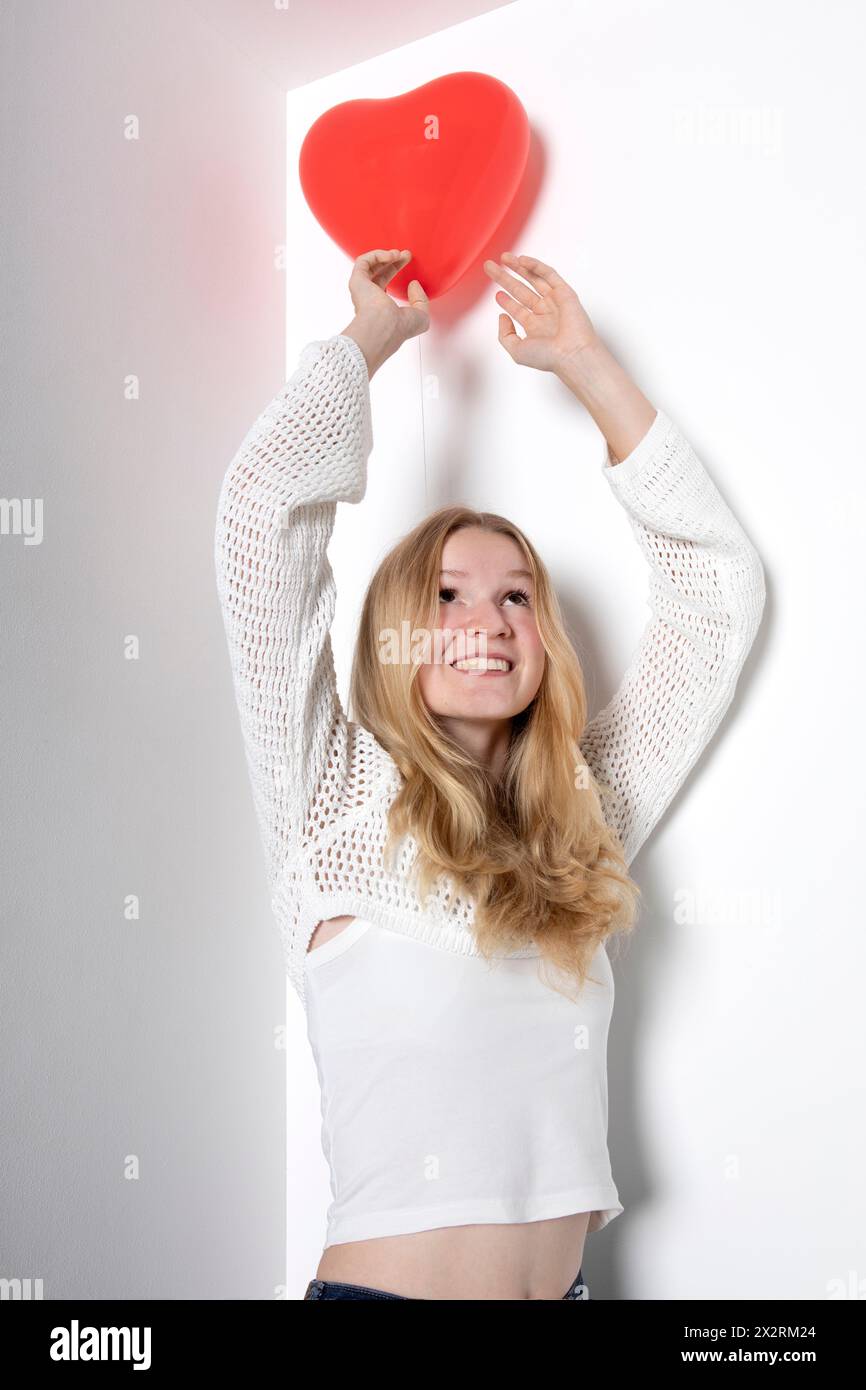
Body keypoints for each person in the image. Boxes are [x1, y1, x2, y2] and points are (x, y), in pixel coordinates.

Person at [214, 249, 766, 1300]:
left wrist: (584, 362)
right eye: (449, 595)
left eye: (517, 597)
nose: (488, 622)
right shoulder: (330, 800)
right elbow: (259, 517)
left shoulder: (578, 816)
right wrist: (367, 343)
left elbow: (716, 590)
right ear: (392, 633)